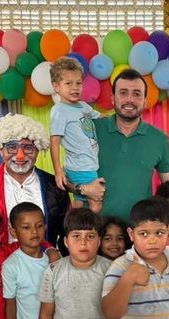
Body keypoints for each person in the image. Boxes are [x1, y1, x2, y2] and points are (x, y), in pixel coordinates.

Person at [0, 113, 70, 248]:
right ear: (1, 150)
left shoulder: (53, 185)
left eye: (28, 147)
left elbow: (66, 230)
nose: (20, 156)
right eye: (12, 147)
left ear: (37, 150)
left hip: (44, 257)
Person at [80, 69, 169, 223]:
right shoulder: (91, 130)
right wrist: (83, 189)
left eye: (137, 94)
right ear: (112, 98)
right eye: (123, 93)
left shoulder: (159, 139)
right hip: (94, 230)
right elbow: (67, 177)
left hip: (139, 232)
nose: (130, 99)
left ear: (145, 101)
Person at [49, 57, 102, 213]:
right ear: (56, 86)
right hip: (81, 167)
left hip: (87, 163)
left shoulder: (84, 106)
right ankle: (88, 227)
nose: (75, 88)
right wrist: (58, 171)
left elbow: (101, 117)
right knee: (96, 204)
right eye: (68, 83)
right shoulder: (59, 110)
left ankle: (69, 224)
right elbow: (54, 142)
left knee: (79, 202)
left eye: (78, 83)